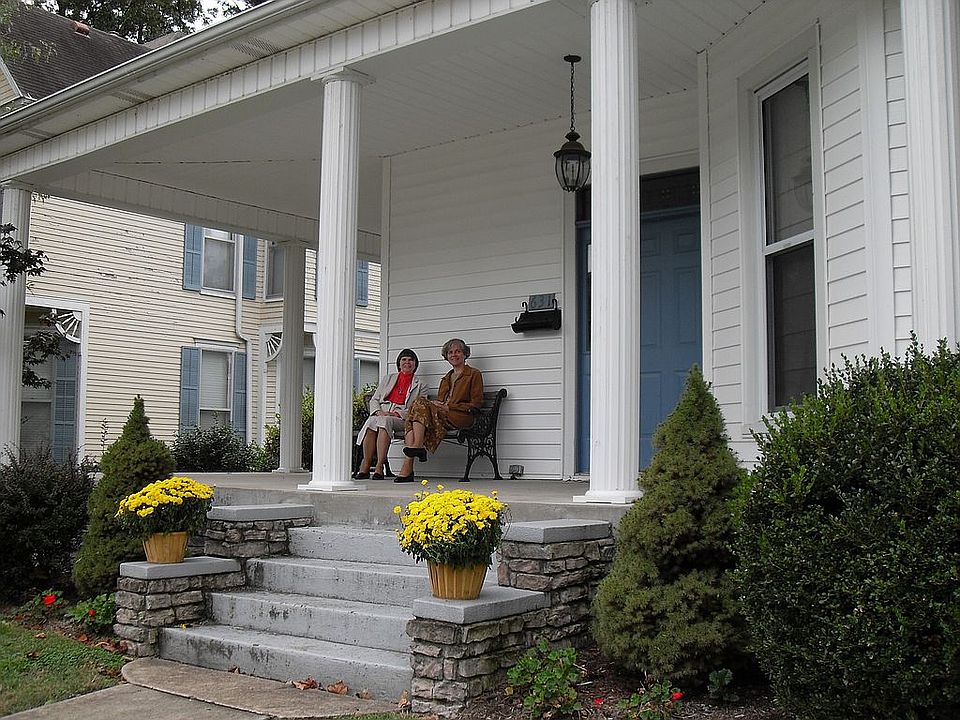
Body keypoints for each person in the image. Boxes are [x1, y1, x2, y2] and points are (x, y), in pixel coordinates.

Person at [394, 338, 483, 483]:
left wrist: (449, 407)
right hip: (442, 415)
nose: (454, 355)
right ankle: (414, 454)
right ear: (446, 356)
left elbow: (476, 404)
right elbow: (441, 402)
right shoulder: (446, 378)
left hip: (461, 417)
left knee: (418, 404)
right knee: (416, 408)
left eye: (458, 351)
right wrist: (437, 405)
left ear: (465, 354)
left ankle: (413, 455)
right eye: (450, 352)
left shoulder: (474, 374)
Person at [353, 349, 426, 480]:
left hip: (403, 419)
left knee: (384, 421)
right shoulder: (388, 378)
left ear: (415, 364)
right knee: (372, 422)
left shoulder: (421, 385)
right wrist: (378, 412)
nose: (407, 362)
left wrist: (396, 414)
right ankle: (366, 466)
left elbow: (419, 409)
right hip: (382, 413)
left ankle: (379, 466)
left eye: (411, 360)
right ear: (399, 363)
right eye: (404, 359)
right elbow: (374, 399)